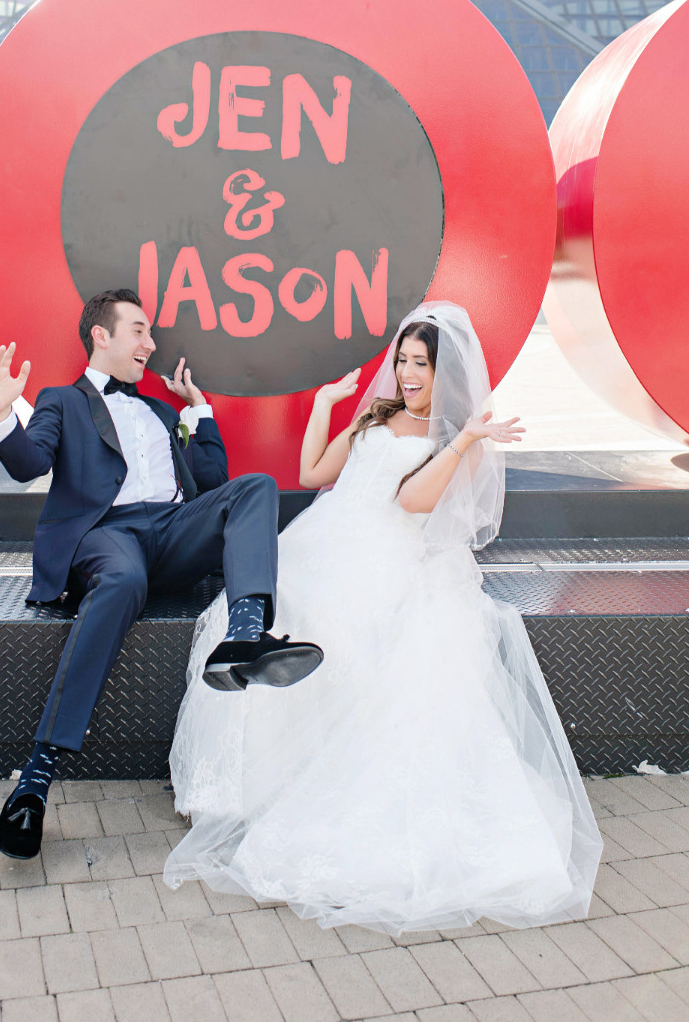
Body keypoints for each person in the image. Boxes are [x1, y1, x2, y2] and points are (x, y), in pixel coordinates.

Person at [164, 301, 602, 934]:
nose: (407, 374)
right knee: (252, 613)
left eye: (419, 364)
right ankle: (235, 788)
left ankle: (276, 790)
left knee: (331, 633)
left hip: (389, 557)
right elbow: (316, 473)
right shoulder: (378, 414)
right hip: (325, 540)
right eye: (401, 361)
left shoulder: (458, 439)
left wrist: (466, 442)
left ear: (443, 372)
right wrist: (324, 404)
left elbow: (412, 501)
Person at [0, 288, 322, 860]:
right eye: (139, 330)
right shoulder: (62, 400)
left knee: (256, 487)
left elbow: (214, 485)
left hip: (170, 531)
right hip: (108, 536)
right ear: (102, 335)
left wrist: (197, 411)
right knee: (121, 582)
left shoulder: (163, 413)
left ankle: (242, 638)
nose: (151, 343)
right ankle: (35, 783)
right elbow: (29, 464)